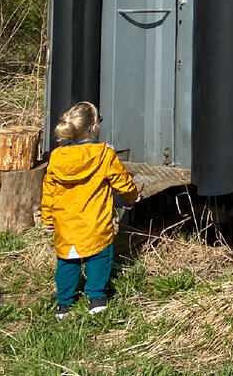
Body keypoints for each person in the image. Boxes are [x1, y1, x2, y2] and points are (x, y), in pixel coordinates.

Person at [41, 101, 140, 318]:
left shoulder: (56, 157)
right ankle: (96, 298)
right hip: (95, 223)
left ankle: (64, 304)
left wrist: (48, 218)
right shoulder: (104, 154)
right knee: (99, 258)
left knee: (67, 262)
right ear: (94, 127)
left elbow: (49, 191)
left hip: (66, 224)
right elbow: (122, 182)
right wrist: (133, 196)